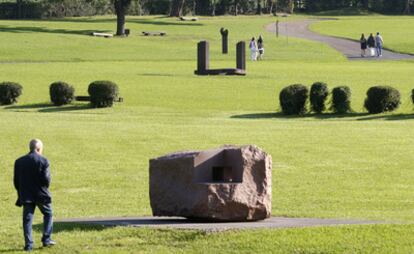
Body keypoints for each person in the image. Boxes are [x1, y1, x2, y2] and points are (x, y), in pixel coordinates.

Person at [14, 139, 55, 251]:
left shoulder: (19, 161)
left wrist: (20, 192)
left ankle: (28, 245)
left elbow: (16, 181)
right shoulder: (44, 160)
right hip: (41, 194)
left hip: (26, 195)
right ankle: (46, 239)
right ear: (38, 149)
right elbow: (46, 180)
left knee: (27, 220)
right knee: (48, 214)